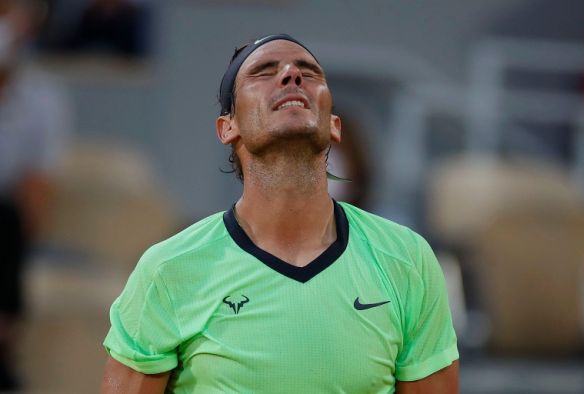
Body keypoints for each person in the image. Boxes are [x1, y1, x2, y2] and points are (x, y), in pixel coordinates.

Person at [101, 34, 459, 393]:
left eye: (309, 72)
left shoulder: (407, 259)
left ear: (334, 124)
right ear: (228, 127)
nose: (291, 75)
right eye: (263, 72)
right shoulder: (168, 269)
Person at [0, 0, 70, 389]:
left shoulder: (42, 98)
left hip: (5, 223)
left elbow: (37, 189)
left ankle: (4, 339)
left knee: (8, 221)